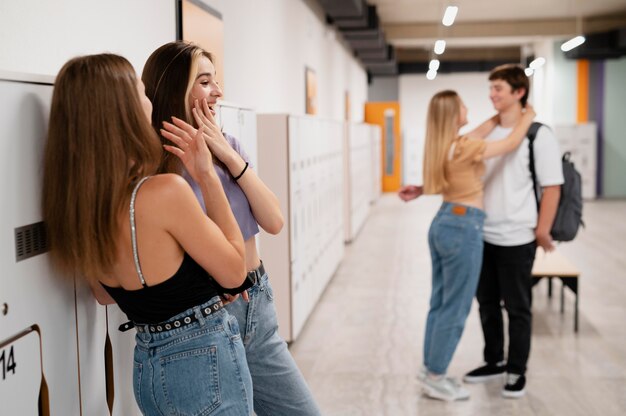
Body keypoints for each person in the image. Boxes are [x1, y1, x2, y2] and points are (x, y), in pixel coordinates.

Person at [42, 53, 253, 415]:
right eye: (141, 92)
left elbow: (104, 294)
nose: (149, 101)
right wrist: (204, 174)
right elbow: (235, 273)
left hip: (148, 366)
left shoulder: (83, 206)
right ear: (121, 110)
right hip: (203, 356)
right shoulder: (164, 192)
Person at [142, 41, 322, 416]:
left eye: (216, 81)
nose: (218, 92)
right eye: (205, 82)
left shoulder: (229, 147)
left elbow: (273, 220)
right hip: (214, 315)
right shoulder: (156, 167)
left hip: (258, 303)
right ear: (176, 89)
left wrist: (226, 155)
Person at [399, 90, 536, 401]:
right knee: (456, 308)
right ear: (452, 114)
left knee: (440, 303)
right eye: (462, 105)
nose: (467, 108)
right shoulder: (466, 146)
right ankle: (436, 376)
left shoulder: (447, 144)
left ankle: (430, 367)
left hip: (445, 222)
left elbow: (481, 130)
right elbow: (511, 143)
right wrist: (527, 112)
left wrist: (500, 114)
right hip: (464, 226)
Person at [463, 64, 564, 398]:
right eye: (490, 88)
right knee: (487, 303)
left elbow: (552, 187)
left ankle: (516, 369)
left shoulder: (539, 134)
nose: (492, 95)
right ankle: (494, 360)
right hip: (483, 233)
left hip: (518, 237)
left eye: (499, 89)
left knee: (517, 308)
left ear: (519, 92)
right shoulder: (490, 133)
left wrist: (542, 230)